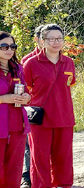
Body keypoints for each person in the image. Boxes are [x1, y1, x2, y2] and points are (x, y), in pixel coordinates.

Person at [23, 24, 77, 187]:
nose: (56, 42)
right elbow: (25, 91)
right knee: (40, 159)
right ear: (43, 41)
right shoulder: (31, 63)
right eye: (51, 39)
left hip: (64, 117)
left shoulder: (68, 62)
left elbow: (69, 85)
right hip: (40, 120)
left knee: (64, 157)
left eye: (59, 39)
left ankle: (64, 185)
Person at [0, 32, 31, 187]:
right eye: (4, 46)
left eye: (12, 46)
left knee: (15, 169)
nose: (9, 49)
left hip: (17, 125)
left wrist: (26, 97)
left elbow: (27, 92)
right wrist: (4, 99)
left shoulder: (18, 68)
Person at [19, 24, 42, 188]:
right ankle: (27, 176)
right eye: (42, 37)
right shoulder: (27, 60)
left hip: (52, 109)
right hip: (32, 108)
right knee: (30, 145)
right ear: (36, 39)